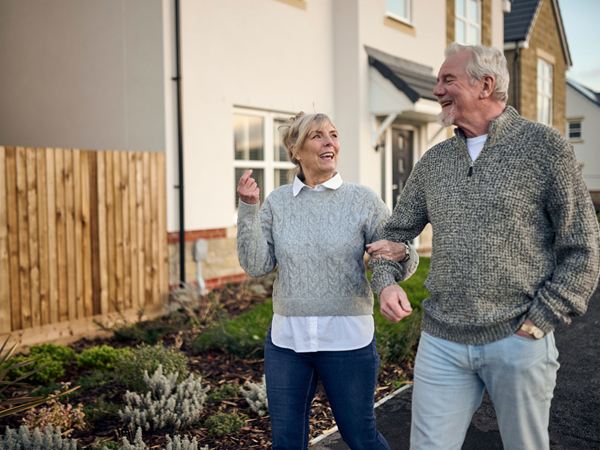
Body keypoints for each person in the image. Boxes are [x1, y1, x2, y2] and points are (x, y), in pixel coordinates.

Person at [371, 43, 600, 450]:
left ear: (485, 85)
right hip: (442, 341)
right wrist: (386, 283)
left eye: (447, 80)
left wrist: (541, 318)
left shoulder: (544, 149)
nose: (437, 89)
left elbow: (582, 246)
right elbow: (395, 234)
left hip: (517, 339)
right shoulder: (435, 161)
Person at [236, 112, 418, 450]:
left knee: (360, 438)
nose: (329, 142)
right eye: (317, 136)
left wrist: (401, 260)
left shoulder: (362, 200)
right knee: (287, 443)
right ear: (296, 149)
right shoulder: (277, 203)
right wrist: (248, 209)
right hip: (288, 343)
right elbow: (256, 264)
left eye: (333, 134)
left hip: (347, 340)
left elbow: (395, 254)